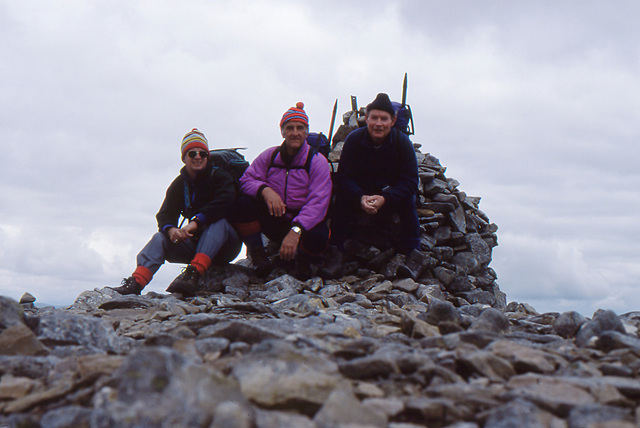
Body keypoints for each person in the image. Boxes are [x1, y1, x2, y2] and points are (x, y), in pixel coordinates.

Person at [111, 128, 241, 297]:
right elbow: (164, 214)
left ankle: (193, 274)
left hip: (226, 244)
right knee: (160, 238)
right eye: (192, 153)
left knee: (218, 222)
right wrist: (171, 230)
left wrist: (196, 222)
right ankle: (136, 283)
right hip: (197, 245)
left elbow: (226, 201)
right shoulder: (180, 184)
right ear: (184, 158)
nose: (198, 157)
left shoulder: (221, 177)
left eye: (203, 153)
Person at [235, 102, 332, 278]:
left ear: (306, 131)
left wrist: (296, 230)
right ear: (282, 131)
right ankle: (258, 255)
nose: (295, 133)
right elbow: (246, 180)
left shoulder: (317, 161)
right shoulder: (270, 156)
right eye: (290, 128)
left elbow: (318, 202)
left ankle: (302, 260)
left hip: (303, 224)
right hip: (277, 218)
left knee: (319, 237)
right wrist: (265, 190)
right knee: (243, 204)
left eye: (300, 128)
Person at [332, 92, 420, 256]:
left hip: (389, 193)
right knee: (340, 199)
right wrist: (360, 197)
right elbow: (344, 177)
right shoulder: (354, 140)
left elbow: (410, 182)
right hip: (362, 193)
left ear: (393, 121)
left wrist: (386, 198)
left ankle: (413, 253)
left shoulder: (402, 143)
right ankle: (336, 250)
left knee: (408, 201)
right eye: (374, 118)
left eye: (384, 119)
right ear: (367, 118)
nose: (378, 124)